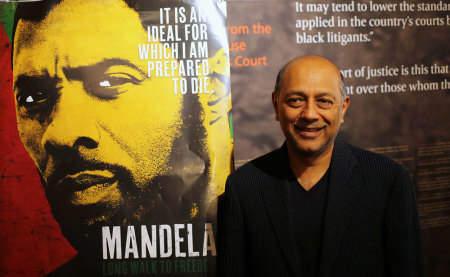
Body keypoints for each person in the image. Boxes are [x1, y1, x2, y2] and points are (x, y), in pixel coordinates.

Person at [12, 0, 231, 275]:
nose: (60, 134)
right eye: (33, 98)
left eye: (112, 81)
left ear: (212, 82)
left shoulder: (272, 240)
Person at [218, 55, 424, 277]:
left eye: (324, 101)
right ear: (276, 106)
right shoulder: (244, 186)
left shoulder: (388, 180)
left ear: (343, 108)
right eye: (296, 100)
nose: (309, 114)